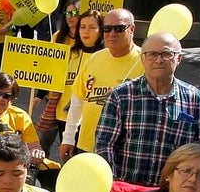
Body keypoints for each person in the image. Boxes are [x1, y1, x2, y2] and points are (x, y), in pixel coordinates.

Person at [95, 33, 200, 190]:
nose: (159, 60)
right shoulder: (121, 96)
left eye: (166, 54)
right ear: (142, 58)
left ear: (179, 58)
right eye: (152, 54)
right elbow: (105, 144)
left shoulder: (195, 99)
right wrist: (113, 184)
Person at [59, 8, 143, 161]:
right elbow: (77, 102)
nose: (112, 33)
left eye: (119, 28)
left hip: (122, 150)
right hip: (87, 145)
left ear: (132, 29)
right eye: (107, 28)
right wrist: (69, 138)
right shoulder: (95, 58)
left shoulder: (144, 62)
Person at [37, 4, 102, 156]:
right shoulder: (70, 53)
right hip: (64, 115)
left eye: (92, 27)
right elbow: (53, 74)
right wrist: (40, 94)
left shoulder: (104, 56)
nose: (86, 31)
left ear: (101, 30)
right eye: (83, 27)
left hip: (92, 120)